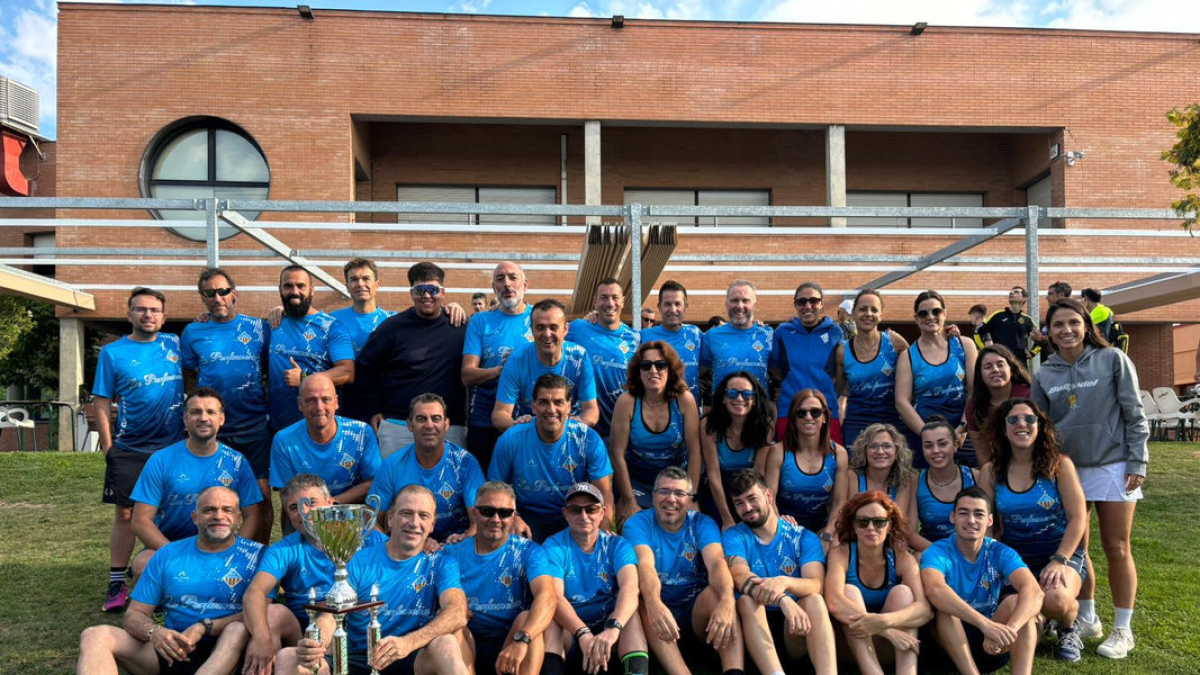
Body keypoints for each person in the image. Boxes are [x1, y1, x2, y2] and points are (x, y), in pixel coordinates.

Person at [1033, 297, 1149, 659]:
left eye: (1073, 323)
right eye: (1057, 325)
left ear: (1086, 326)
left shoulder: (1112, 359)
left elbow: (1134, 413)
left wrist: (1138, 461)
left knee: (1116, 548)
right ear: (1048, 332)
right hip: (1068, 471)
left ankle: (1122, 629)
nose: (1066, 330)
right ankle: (1088, 618)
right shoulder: (1043, 373)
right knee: (1078, 551)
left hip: (1114, 465)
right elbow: (1043, 428)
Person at [279, 485, 470, 675]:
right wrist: (316, 642)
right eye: (406, 513)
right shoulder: (359, 560)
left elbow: (457, 612)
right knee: (288, 657)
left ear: (433, 525)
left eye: (423, 516)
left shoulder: (442, 562)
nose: (414, 522)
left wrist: (408, 643)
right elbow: (332, 614)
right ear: (390, 519)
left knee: (446, 644)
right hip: (359, 657)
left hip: (410, 656)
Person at [77, 487, 264, 675]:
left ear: (239, 518)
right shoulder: (168, 554)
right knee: (95, 636)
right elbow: (134, 614)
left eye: (227, 510)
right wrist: (155, 632)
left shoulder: (257, 556)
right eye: (209, 510)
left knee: (236, 629)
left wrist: (205, 627)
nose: (218, 516)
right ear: (194, 518)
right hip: (174, 649)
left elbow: (264, 612)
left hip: (231, 651)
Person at [92, 286, 186, 612]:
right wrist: (108, 445)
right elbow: (101, 400)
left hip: (173, 446)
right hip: (130, 448)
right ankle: (117, 583)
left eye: (154, 310)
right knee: (126, 514)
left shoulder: (175, 343)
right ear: (129, 313)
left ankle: (169, 575)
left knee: (170, 511)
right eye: (141, 309)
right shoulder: (112, 353)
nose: (148, 315)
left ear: (163, 316)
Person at [243, 475, 387, 675]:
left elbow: (404, 557)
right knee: (272, 614)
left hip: (358, 629)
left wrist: (429, 544)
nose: (304, 512)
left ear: (331, 504)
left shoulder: (366, 537)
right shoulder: (284, 549)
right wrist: (260, 640)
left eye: (311, 503)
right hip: (304, 634)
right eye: (294, 508)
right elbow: (255, 593)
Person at [979, 398, 1088, 662]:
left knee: (1057, 601)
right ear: (1003, 429)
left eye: (1029, 419)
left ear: (1040, 426)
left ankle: (1068, 627)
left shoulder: (1059, 465)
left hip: (1059, 553)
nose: (1021, 424)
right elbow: (986, 523)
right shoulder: (991, 472)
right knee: (1020, 614)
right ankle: (1040, 618)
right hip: (1016, 559)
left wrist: (1060, 560)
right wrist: (995, 562)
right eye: (1013, 419)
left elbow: (1077, 517)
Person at [181, 267, 273, 543]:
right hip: (215, 431)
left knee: (261, 497)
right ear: (203, 297)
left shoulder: (260, 328)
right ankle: (216, 553)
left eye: (222, 291)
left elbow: (271, 365)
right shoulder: (192, 331)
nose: (217, 298)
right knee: (215, 496)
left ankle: (259, 555)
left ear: (234, 294)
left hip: (255, 426)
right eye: (210, 293)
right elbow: (188, 373)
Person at [621, 467, 743, 675]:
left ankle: (734, 672)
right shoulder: (637, 524)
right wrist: (654, 602)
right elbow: (645, 565)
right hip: (659, 615)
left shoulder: (703, 523)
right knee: (643, 604)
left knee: (720, 596)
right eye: (664, 492)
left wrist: (726, 600)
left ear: (690, 500)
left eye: (679, 494)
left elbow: (716, 563)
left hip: (694, 612)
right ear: (653, 495)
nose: (671, 499)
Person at [130, 388, 262, 579]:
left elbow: (253, 516)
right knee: (143, 565)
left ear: (221, 419)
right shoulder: (161, 460)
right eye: (195, 412)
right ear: (185, 419)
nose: (203, 418)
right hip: (172, 546)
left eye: (211, 412)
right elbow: (140, 521)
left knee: (263, 567)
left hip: (221, 546)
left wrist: (233, 552)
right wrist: (177, 555)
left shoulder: (236, 462)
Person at [721, 469, 836, 675]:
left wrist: (784, 582)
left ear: (768, 496)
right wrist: (783, 598)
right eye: (739, 503)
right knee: (747, 600)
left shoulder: (803, 537)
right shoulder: (734, 536)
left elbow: (817, 583)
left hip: (795, 628)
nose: (747, 508)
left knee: (815, 601)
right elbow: (739, 575)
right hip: (753, 628)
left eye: (752, 499)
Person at [920, 486, 1043, 675]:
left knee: (1019, 605)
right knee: (944, 610)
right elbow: (934, 589)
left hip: (991, 644)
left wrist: (1009, 629)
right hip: (946, 648)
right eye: (963, 513)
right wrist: (985, 625)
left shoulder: (1000, 551)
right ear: (953, 517)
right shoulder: (937, 551)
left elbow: (1034, 591)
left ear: (989, 520)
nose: (971, 520)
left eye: (979, 514)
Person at [357, 262, 469, 457]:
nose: (426, 295)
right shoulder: (391, 327)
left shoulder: (459, 326)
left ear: (442, 292)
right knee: (394, 485)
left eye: (432, 289)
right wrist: (373, 409)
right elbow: (365, 367)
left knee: (448, 485)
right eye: (420, 290)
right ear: (411, 293)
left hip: (449, 426)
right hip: (398, 427)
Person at [445, 482, 557, 675]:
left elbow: (547, 597)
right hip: (469, 639)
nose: (496, 519)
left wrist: (522, 640)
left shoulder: (529, 551)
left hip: (511, 637)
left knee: (527, 622)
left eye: (504, 513)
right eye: (487, 511)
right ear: (474, 514)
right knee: (451, 626)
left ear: (513, 517)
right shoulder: (451, 553)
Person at [489, 374, 615, 541]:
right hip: (527, 517)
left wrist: (602, 536)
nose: (551, 410)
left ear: (569, 406)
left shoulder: (587, 439)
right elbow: (494, 489)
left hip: (575, 515)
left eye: (558, 402)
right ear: (533, 406)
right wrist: (513, 517)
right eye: (543, 402)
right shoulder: (511, 439)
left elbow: (605, 493)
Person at [542, 483, 649, 675]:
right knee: (549, 619)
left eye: (591, 509)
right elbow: (555, 597)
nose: (584, 516)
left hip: (610, 631)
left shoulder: (618, 544)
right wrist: (582, 633)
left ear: (603, 512)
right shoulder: (552, 546)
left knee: (630, 614)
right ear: (565, 513)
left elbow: (630, 589)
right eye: (575, 510)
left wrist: (612, 629)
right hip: (572, 631)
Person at [824, 491, 931, 675]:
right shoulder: (842, 553)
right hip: (850, 645)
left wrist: (883, 622)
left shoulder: (900, 557)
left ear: (889, 526)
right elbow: (833, 601)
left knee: (903, 593)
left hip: (890, 645)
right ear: (854, 526)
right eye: (863, 522)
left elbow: (925, 610)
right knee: (849, 591)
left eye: (879, 522)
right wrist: (887, 631)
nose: (871, 528)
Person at [369, 393, 485, 546]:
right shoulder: (392, 464)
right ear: (410, 425)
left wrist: (454, 546)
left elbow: (479, 523)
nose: (429, 425)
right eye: (421, 419)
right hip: (407, 547)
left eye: (436, 418)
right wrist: (397, 547)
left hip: (454, 547)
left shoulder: (465, 462)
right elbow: (370, 520)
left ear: (446, 424)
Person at [269, 374, 380, 532]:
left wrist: (331, 503)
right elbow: (287, 496)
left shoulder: (361, 433)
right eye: (311, 400)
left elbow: (373, 482)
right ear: (300, 404)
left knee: (381, 541)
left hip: (350, 510)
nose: (319, 407)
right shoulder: (284, 440)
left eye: (325, 399)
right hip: (307, 514)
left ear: (336, 402)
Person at [608, 341, 702, 524]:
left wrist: (691, 495)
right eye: (646, 365)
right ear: (638, 371)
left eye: (660, 365)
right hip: (639, 480)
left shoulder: (684, 400)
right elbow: (616, 453)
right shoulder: (626, 402)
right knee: (630, 525)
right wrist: (629, 500)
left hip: (676, 478)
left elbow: (695, 452)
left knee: (685, 525)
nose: (653, 370)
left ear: (670, 369)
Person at [461, 261, 533, 470]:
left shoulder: (540, 318)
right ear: (494, 288)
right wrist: (502, 371)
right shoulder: (481, 321)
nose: (507, 284)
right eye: (500, 279)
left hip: (530, 420)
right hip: (484, 420)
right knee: (484, 485)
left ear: (525, 285)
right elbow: (467, 375)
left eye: (513, 278)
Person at [894, 289, 977, 468]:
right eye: (923, 313)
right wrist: (928, 435)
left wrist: (962, 429)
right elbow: (901, 402)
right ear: (916, 318)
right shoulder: (908, 356)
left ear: (945, 314)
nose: (930, 317)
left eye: (936, 311)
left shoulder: (965, 345)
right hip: (924, 432)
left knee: (972, 485)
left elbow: (975, 391)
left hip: (963, 430)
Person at [267, 265, 355, 432]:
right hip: (280, 427)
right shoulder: (273, 324)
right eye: (288, 286)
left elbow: (347, 372)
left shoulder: (332, 327)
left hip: (322, 426)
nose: (294, 291)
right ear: (280, 290)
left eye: (301, 286)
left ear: (312, 290)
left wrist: (304, 378)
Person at [492, 298, 599, 431]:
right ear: (531, 329)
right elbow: (500, 414)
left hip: (568, 430)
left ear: (565, 329)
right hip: (527, 431)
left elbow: (591, 410)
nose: (547, 334)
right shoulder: (517, 359)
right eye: (540, 327)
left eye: (553, 327)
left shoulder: (579, 356)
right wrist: (519, 426)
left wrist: (579, 425)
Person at [760, 389, 848, 543]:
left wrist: (827, 533)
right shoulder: (779, 452)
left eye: (815, 412)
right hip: (784, 526)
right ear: (793, 419)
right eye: (801, 413)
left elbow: (840, 502)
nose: (808, 417)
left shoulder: (838, 454)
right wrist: (779, 522)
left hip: (822, 528)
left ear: (825, 417)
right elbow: (769, 498)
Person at [831, 288, 909, 449]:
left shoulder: (895, 343)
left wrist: (946, 334)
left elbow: (921, 363)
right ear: (852, 313)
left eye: (874, 310)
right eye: (862, 309)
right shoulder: (842, 351)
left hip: (891, 420)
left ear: (881, 315)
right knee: (855, 471)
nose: (868, 313)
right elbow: (838, 391)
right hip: (856, 422)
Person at [567, 277, 640, 438]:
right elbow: (547, 337)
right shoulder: (577, 328)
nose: (609, 303)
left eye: (615, 297)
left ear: (622, 302)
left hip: (619, 430)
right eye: (604, 297)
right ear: (595, 301)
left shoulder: (635, 338)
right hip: (581, 426)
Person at [699, 372, 773, 530]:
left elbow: (759, 472)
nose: (739, 399)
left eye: (746, 394)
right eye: (732, 393)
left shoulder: (764, 427)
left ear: (754, 400)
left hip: (748, 487)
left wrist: (758, 510)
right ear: (724, 398)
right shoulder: (709, 425)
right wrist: (727, 519)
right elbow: (713, 474)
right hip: (717, 490)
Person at [771, 281, 843, 442]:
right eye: (801, 301)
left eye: (814, 301)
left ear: (822, 304)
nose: (807, 306)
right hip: (788, 410)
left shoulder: (835, 332)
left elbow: (842, 371)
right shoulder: (782, 332)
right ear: (795, 305)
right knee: (787, 462)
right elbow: (774, 369)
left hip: (827, 410)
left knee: (831, 461)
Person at [329, 258, 398, 423]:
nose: (360, 284)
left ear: (377, 284)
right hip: (345, 400)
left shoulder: (394, 320)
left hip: (384, 403)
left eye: (366, 278)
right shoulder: (333, 319)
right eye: (354, 279)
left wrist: (451, 307)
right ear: (347, 286)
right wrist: (281, 310)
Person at [908, 417, 977, 553]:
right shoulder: (915, 480)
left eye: (942, 444)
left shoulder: (976, 477)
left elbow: (989, 527)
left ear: (955, 445)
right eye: (928, 445)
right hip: (932, 551)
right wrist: (945, 555)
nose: (935, 450)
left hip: (971, 551)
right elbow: (910, 534)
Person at [700, 280, 773, 405]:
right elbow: (699, 373)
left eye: (745, 300)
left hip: (759, 413)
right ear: (726, 304)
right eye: (734, 300)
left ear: (754, 305)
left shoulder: (769, 335)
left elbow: (779, 375)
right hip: (722, 412)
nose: (740, 306)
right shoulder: (711, 336)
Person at [965, 345, 1032, 466]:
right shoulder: (974, 404)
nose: (995, 370)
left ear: (1011, 369)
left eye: (1000, 364)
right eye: (988, 367)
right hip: (997, 467)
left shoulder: (1028, 395)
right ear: (980, 374)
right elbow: (982, 452)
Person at [640, 280, 704, 404]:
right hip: (654, 412)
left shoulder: (696, 334)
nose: (672, 309)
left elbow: (705, 367)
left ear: (685, 307)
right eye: (667, 304)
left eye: (677, 304)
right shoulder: (644, 336)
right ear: (659, 307)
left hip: (690, 411)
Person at [846, 423, 916, 519]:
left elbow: (898, 519)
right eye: (873, 446)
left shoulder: (905, 479)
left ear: (897, 452)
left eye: (887, 446)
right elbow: (853, 517)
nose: (880, 452)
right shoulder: (852, 476)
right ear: (864, 451)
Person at [977, 287, 1035, 364]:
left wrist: (1033, 352)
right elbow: (978, 332)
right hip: (1000, 365)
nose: (1011, 293)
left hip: (1021, 366)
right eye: (1011, 292)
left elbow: (1042, 339)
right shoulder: (997, 315)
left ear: (1024, 299)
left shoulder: (1028, 320)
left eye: (1016, 292)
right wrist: (987, 350)